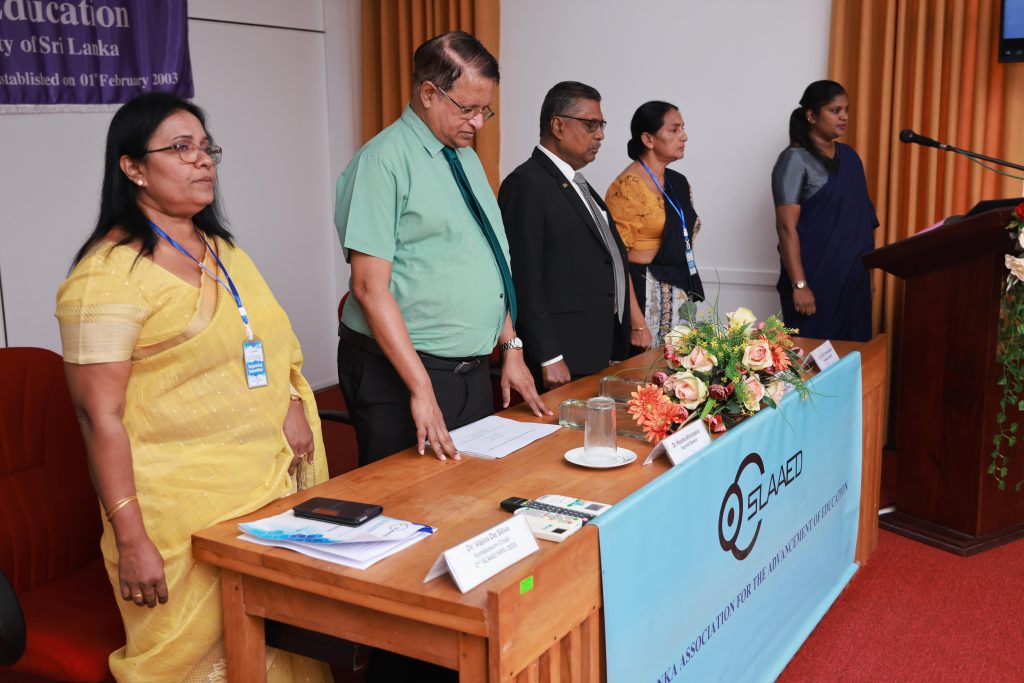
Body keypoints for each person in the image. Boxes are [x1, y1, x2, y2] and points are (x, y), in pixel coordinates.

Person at [54, 92, 330, 683]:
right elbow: (97, 418)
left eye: (207, 148)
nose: (202, 160)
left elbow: (268, 340)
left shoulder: (223, 252)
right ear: (133, 167)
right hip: (178, 515)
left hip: (266, 493)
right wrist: (132, 538)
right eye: (181, 148)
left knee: (285, 647)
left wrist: (288, 399)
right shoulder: (104, 278)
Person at [334, 31, 549, 468]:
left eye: (485, 110)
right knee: (409, 498)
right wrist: (421, 389)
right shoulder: (383, 162)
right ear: (429, 94)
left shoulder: (464, 156)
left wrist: (510, 345)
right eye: (467, 109)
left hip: (468, 369)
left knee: (471, 488)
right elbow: (369, 288)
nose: (478, 123)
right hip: (401, 374)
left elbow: (488, 255)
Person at [499, 81, 631, 391]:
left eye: (601, 125)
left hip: (596, 346)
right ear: (558, 126)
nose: (600, 135)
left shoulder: (576, 183)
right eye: (590, 125)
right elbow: (524, 277)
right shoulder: (526, 183)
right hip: (562, 355)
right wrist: (549, 354)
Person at [771, 79, 878, 342]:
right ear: (811, 116)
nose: (844, 116)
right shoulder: (794, 159)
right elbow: (786, 228)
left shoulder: (850, 157)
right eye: (835, 110)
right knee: (810, 360)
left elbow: (865, 221)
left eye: (846, 110)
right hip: (814, 282)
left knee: (854, 357)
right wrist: (800, 285)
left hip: (853, 282)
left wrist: (869, 278)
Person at [605, 100, 705, 349]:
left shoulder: (678, 182)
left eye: (683, 128)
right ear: (648, 139)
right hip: (643, 295)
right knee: (644, 370)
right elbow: (615, 259)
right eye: (674, 129)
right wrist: (637, 324)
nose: (684, 136)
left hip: (679, 291)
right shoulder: (628, 186)